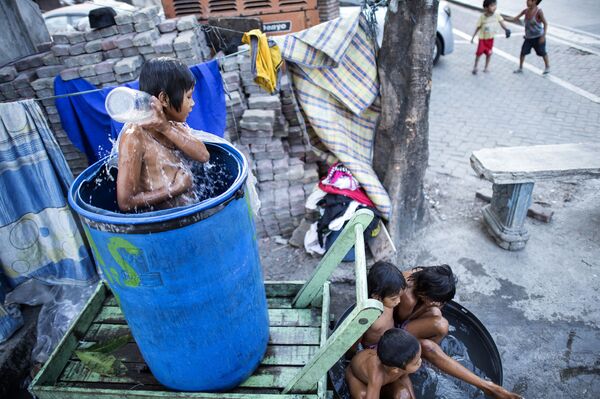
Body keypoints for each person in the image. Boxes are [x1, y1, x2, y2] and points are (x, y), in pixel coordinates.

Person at [395, 265, 522, 399]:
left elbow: (435, 307)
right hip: (396, 329)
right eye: (436, 300)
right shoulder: (408, 298)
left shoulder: (423, 276)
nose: (439, 304)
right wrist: (427, 305)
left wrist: (432, 305)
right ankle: (425, 357)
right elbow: (401, 320)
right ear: (426, 294)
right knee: (435, 330)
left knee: (438, 318)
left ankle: (425, 359)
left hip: (409, 319)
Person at [116, 58, 210, 212]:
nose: (192, 103)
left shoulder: (173, 125)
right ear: (164, 99)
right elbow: (125, 202)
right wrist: (175, 189)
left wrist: (165, 128)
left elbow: (203, 155)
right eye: (188, 97)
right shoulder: (134, 136)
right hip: (163, 225)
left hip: (190, 213)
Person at [346, 328, 422, 399]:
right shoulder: (377, 375)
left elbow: (404, 377)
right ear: (395, 370)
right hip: (357, 377)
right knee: (363, 395)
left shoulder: (400, 363)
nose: (420, 361)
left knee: (403, 395)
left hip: (385, 379)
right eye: (416, 363)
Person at [361, 261, 407, 348]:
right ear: (376, 296)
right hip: (375, 347)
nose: (399, 301)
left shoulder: (388, 303)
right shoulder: (367, 315)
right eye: (394, 298)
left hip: (392, 334)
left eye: (399, 296)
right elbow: (356, 338)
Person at [508, 0, 550, 74]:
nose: (526, 2)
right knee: (523, 52)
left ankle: (547, 67)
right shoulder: (525, 11)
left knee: (542, 52)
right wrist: (502, 18)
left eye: (529, 0)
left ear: (535, 1)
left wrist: (543, 36)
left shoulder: (539, 12)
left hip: (538, 37)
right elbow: (514, 19)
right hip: (528, 38)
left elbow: (545, 24)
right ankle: (520, 68)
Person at [471, 0, 511, 74]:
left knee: (489, 53)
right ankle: (475, 67)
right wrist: (473, 37)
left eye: (495, 5)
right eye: (492, 6)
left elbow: (501, 22)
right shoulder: (482, 17)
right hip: (482, 39)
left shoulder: (496, 15)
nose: (494, 7)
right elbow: (478, 27)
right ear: (486, 8)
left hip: (490, 39)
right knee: (479, 53)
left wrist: (506, 29)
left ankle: (486, 67)